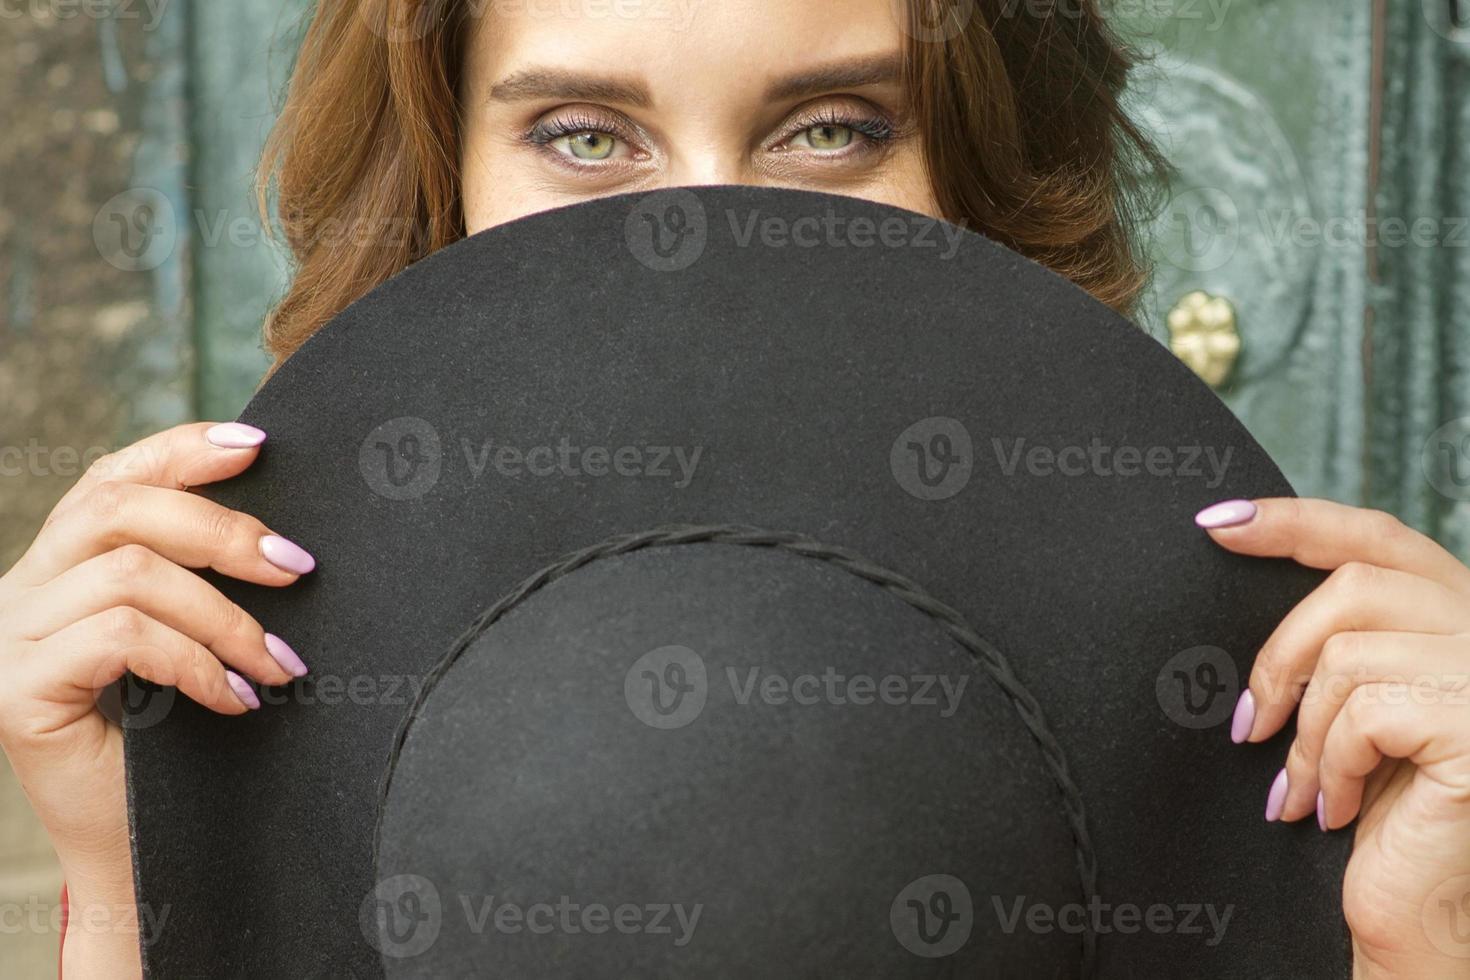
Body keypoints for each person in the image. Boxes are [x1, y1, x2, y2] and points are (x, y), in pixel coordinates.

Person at [3, 2, 1467, 976]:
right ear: (441, 168)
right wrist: (134, 860)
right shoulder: (235, 622)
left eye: (830, 126)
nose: (697, 224)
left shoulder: (1277, 688)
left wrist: (1419, 942)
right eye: (584, 135)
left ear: (979, 164)